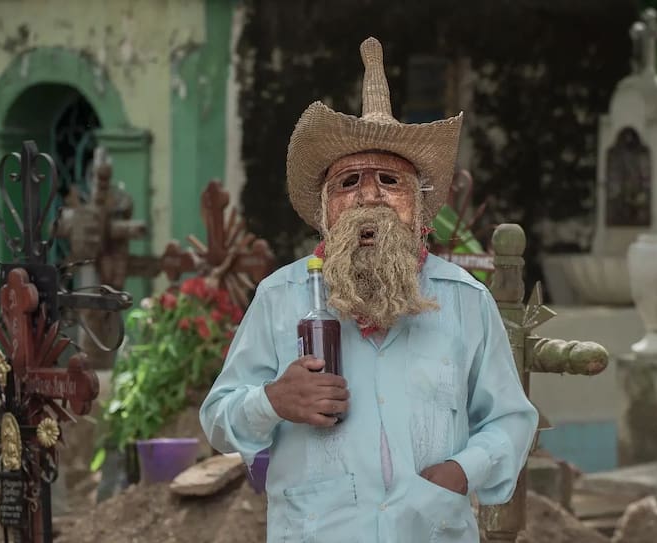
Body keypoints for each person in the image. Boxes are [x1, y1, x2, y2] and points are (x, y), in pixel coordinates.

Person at [200, 37, 538, 542]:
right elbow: (218, 419)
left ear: (421, 207)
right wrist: (272, 400)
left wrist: (460, 472)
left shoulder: (465, 300)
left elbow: (510, 420)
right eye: (349, 181)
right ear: (325, 209)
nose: (370, 196)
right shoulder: (280, 297)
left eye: (390, 180)